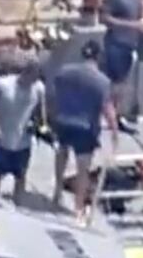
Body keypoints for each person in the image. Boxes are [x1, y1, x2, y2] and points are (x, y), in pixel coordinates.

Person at [46, 40, 115, 223]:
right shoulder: (102, 81)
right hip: (85, 128)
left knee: (61, 153)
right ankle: (78, 207)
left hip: (63, 121)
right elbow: (107, 109)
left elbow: (53, 96)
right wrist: (114, 132)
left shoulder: (64, 72)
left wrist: (52, 116)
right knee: (82, 169)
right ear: (98, 57)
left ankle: (57, 191)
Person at [0, 59, 44, 205]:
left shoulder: (39, 88)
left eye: (36, 78)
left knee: (21, 173)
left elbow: (40, 112)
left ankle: (18, 201)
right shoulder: (3, 85)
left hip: (24, 140)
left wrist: (39, 126)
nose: (32, 82)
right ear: (25, 72)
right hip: (2, 137)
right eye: (32, 77)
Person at [98, 0, 143, 124]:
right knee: (115, 84)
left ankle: (116, 114)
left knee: (124, 83)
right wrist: (131, 25)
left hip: (132, 43)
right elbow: (103, 17)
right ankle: (110, 119)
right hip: (116, 43)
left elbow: (139, 14)